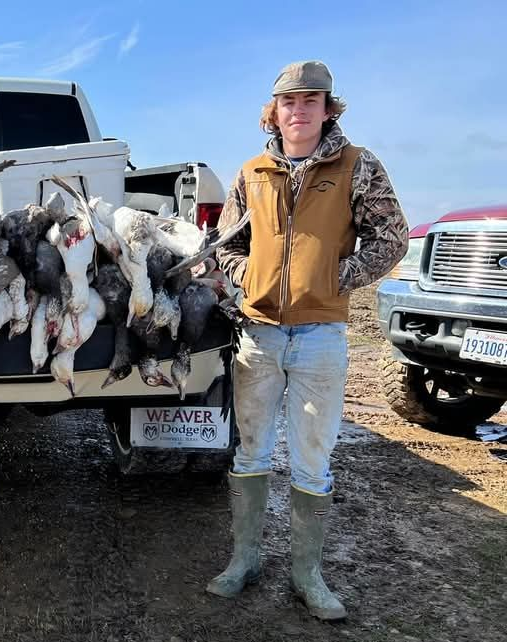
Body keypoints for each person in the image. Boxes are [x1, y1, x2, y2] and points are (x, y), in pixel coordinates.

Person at [209, 61, 408, 620]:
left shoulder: (357, 165)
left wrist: (336, 278)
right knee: (250, 447)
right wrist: (247, 276)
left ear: (328, 108)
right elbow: (227, 241)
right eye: (288, 101)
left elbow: (392, 236)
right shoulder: (252, 172)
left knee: (312, 457)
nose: (299, 110)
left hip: (321, 333)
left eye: (311, 100)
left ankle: (307, 575)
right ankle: (244, 560)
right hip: (259, 333)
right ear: (273, 111)